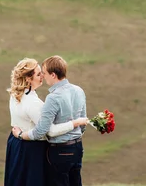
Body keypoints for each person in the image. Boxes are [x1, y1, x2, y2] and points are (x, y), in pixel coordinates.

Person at [5, 58, 87, 186]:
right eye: (38, 74)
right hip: (32, 149)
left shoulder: (15, 95)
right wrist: (75, 123)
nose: (42, 76)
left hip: (16, 144)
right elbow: (50, 131)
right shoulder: (34, 103)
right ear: (28, 78)